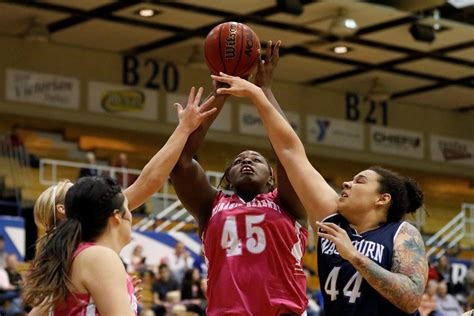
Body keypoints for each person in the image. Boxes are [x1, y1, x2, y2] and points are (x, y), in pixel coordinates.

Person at [211, 40, 428, 315]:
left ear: (382, 199)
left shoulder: (400, 232)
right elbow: (289, 151)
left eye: (360, 181)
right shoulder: (330, 218)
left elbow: (410, 298)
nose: (347, 183)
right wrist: (261, 92)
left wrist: (354, 256)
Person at [27, 87, 217, 314]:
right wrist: (184, 129)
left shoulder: (61, 261)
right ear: (63, 210)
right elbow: (148, 182)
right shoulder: (93, 250)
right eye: (74, 190)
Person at [170, 41, 309, 315]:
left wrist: (263, 91)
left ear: (272, 178)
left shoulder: (288, 203)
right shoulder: (211, 205)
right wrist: (220, 93)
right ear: (228, 180)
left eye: (256, 159)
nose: (246, 160)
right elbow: (181, 163)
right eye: (238, 161)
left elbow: (288, 153)